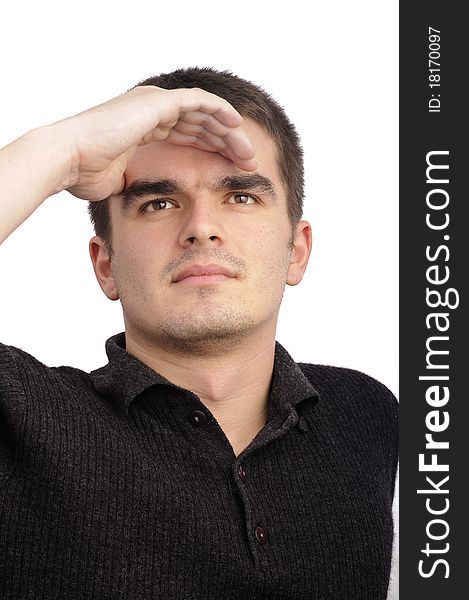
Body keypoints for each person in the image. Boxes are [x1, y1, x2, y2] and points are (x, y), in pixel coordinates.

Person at [0, 67, 398, 599]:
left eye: (240, 197)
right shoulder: (19, 414)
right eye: (157, 203)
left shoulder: (365, 413)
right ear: (106, 266)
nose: (200, 226)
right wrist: (65, 151)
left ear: (296, 251)